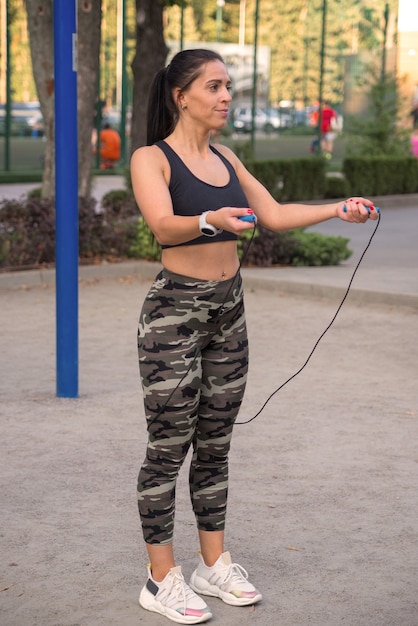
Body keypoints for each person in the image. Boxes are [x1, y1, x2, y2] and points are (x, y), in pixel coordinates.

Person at [130, 48, 378, 625]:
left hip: (228, 310)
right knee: (169, 448)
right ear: (180, 95)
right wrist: (211, 220)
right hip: (174, 314)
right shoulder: (152, 158)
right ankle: (160, 577)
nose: (224, 97)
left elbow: (273, 213)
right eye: (214, 86)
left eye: (228, 87)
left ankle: (211, 566)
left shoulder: (226, 157)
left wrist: (338, 209)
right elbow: (162, 226)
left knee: (216, 443)